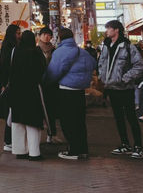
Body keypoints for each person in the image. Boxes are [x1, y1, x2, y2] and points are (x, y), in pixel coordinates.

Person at [45, 27, 96, 160]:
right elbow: (93, 64)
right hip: (80, 91)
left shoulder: (60, 52)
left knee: (67, 121)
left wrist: (46, 82)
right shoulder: (82, 52)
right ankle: (83, 149)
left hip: (66, 90)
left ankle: (74, 150)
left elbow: (54, 72)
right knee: (80, 121)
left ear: (60, 38)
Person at [98, 20, 143, 158]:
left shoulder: (127, 46)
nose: (106, 31)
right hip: (111, 88)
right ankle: (125, 144)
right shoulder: (106, 45)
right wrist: (103, 77)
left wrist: (124, 78)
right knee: (118, 117)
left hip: (125, 88)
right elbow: (101, 63)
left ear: (116, 30)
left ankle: (138, 146)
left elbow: (139, 66)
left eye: (108, 28)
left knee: (131, 117)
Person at [9, 30, 47, 161]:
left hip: (16, 91)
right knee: (33, 123)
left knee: (18, 122)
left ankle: (20, 151)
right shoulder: (37, 52)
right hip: (32, 90)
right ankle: (34, 153)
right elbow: (43, 69)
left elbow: (10, 70)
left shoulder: (16, 51)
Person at [0, 24, 21, 152]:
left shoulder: (9, 46)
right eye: (17, 33)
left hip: (8, 85)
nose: (19, 35)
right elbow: (5, 68)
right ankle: (8, 141)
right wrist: (4, 85)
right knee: (10, 114)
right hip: (9, 85)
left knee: (11, 114)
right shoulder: (10, 48)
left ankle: (10, 140)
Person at [36, 27, 58, 143]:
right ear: (39, 36)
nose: (46, 36)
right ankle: (37, 137)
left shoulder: (54, 50)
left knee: (51, 109)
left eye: (48, 35)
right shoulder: (36, 50)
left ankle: (51, 134)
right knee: (39, 110)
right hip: (39, 84)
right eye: (44, 34)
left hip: (51, 84)